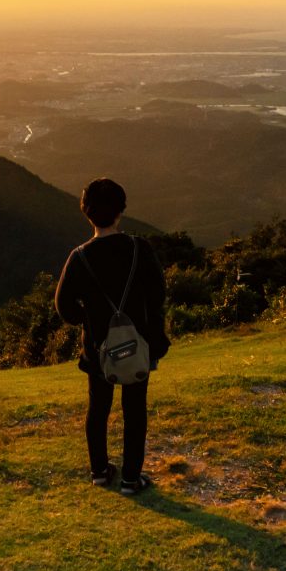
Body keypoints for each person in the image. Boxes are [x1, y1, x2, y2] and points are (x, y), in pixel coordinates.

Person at [54, 178, 169, 495]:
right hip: (138, 344)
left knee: (98, 408)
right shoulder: (138, 249)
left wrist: (89, 321)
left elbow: (64, 306)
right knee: (135, 410)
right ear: (121, 211)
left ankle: (100, 472)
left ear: (86, 213)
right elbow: (158, 293)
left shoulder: (79, 257)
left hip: (98, 348)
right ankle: (132, 479)